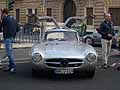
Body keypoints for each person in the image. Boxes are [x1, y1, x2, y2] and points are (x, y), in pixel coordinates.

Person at [0, 8, 17, 73]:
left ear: (4, 13)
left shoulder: (5, 19)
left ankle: (13, 67)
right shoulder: (14, 19)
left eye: (2, 14)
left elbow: (1, 27)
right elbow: (18, 29)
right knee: (10, 52)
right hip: (12, 37)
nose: (2, 15)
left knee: (9, 53)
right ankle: (10, 67)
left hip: (7, 38)